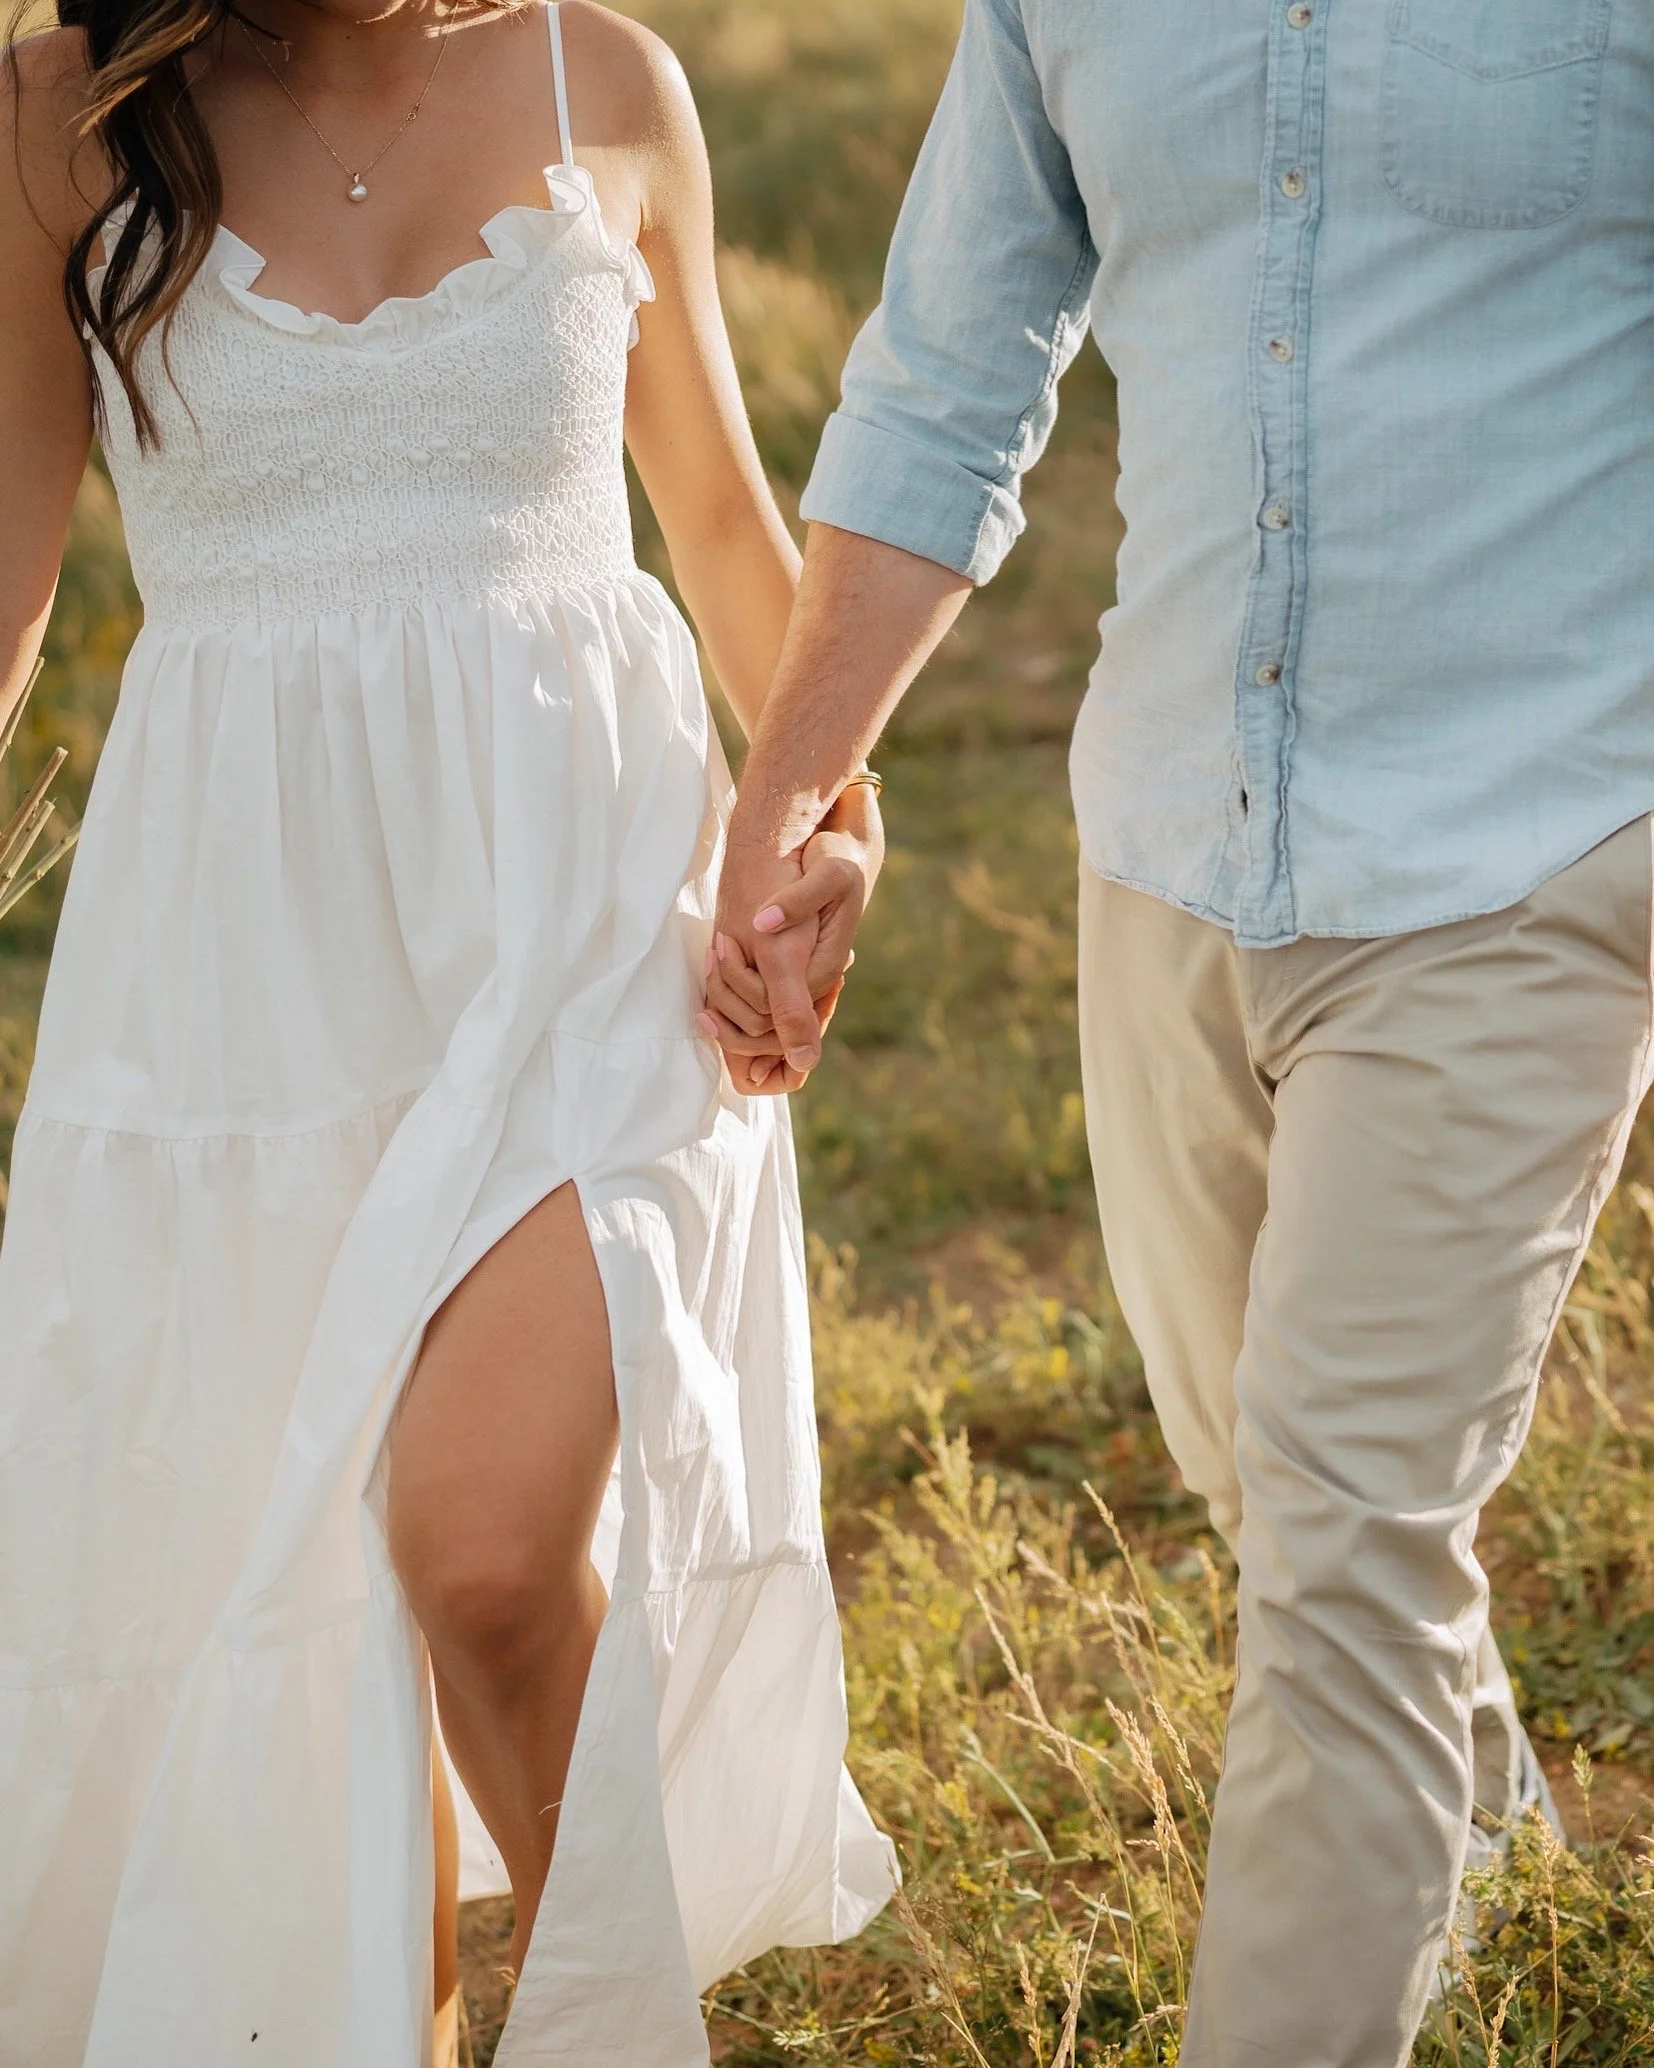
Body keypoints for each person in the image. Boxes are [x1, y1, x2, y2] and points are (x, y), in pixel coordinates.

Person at [701, 4, 1654, 2063]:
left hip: (1531, 833)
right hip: (1166, 843)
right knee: (1261, 1469)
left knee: (1340, 1538)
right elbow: (948, 376)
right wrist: (788, 789)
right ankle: (1475, 1839)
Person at [0, 2, 893, 2061]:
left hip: (593, 943)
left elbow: (737, 561)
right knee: (284, 1658)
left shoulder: (607, 78)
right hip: (243, 989)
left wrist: (844, 842)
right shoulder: (67, 121)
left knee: (478, 1557)